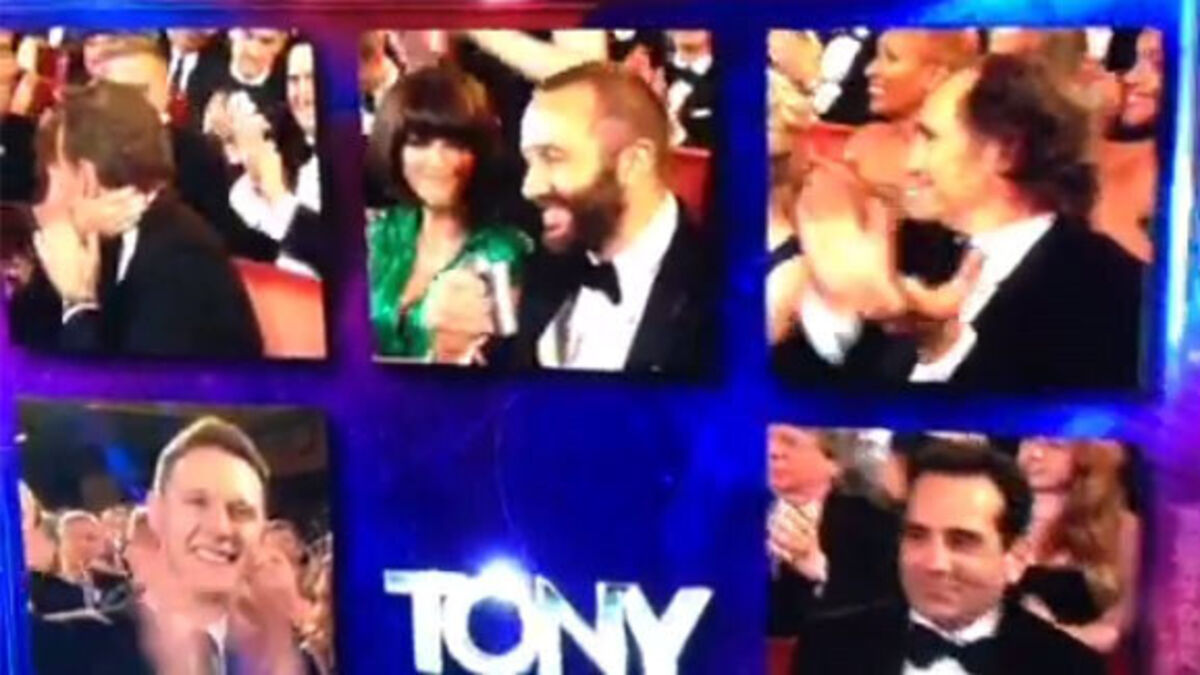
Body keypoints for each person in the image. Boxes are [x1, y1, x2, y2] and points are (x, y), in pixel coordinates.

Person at [774, 54, 1144, 389]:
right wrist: (838, 304)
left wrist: (939, 345)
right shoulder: (902, 247)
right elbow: (801, 384)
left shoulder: (1110, 291)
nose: (911, 164)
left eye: (930, 139)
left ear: (1004, 152)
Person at [426, 61, 713, 374]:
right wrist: (455, 355)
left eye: (552, 156)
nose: (530, 187)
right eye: (530, 162)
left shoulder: (723, 295)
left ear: (634, 162)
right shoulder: (537, 258)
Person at [30, 416, 315, 675]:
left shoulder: (292, 663)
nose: (220, 527)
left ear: (262, 528)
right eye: (197, 502)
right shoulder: (69, 649)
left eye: (241, 511)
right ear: (156, 512)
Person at [793, 441, 1105, 674]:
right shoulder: (828, 646)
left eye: (961, 542)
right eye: (917, 536)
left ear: (1016, 559)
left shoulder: (1070, 666)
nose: (934, 563)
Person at [11, 80, 262, 357]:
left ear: (86, 179)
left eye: (51, 174)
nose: (45, 194)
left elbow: (119, 384)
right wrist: (70, 239)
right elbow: (22, 346)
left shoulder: (184, 259)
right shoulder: (107, 235)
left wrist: (78, 303)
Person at [365, 63, 531, 360]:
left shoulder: (501, 252)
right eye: (419, 142)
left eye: (455, 144)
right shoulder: (378, 232)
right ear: (395, 148)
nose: (438, 161)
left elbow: (497, 368)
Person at [766, 426, 901, 636]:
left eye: (790, 442)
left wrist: (818, 568)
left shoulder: (874, 523)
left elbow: (885, 614)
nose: (773, 451)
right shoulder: (737, 516)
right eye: (769, 439)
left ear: (834, 462)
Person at [1015, 437, 1141, 654]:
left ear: (1087, 455)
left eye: (1053, 445)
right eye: (1029, 440)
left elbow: (1116, 629)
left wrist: (1053, 634)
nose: (1035, 454)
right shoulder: (990, 514)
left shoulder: (1121, 529)